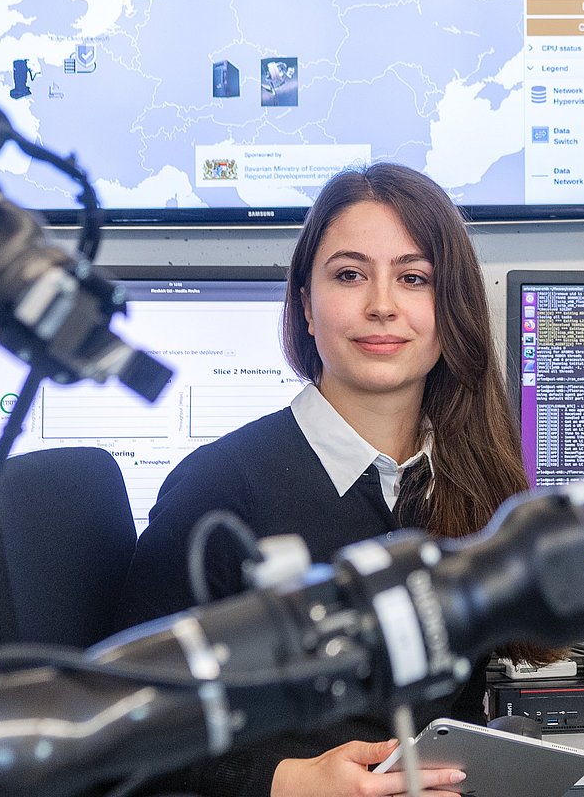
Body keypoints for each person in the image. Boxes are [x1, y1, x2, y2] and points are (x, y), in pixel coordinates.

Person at [114, 162, 549, 797]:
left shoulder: (467, 480)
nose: (381, 305)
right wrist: (284, 780)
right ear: (306, 308)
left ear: (450, 309)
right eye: (349, 275)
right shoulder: (217, 492)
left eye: (413, 278)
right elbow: (124, 725)